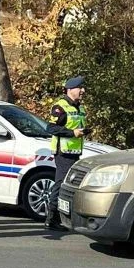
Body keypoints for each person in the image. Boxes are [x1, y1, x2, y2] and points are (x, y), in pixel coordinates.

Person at [44, 75, 87, 231]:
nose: (83, 90)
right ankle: (51, 219)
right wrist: (72, 133)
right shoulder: (60, 107)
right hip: (63, 152)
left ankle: (62, 217)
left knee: (68, 186)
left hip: (75, 153)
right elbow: (50, 128)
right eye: (79, 88)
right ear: (70, 90)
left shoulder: (80, 107)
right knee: (61, 185)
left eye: (83, 88)